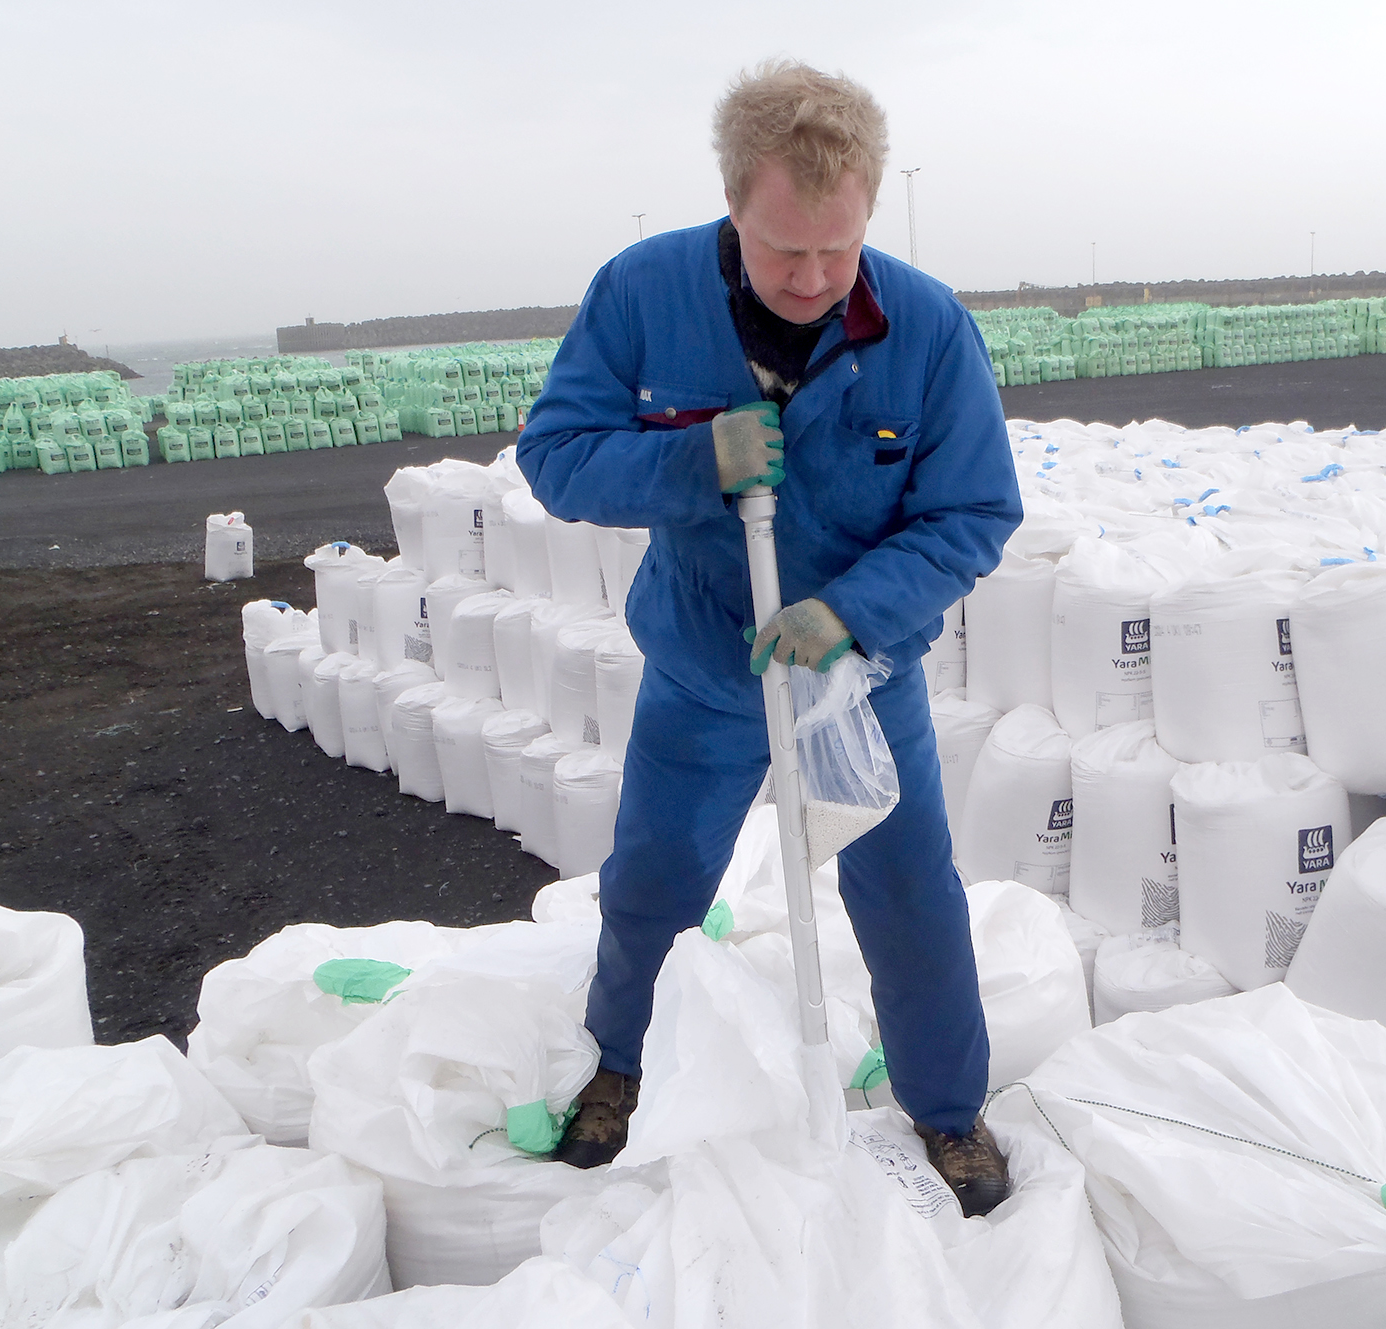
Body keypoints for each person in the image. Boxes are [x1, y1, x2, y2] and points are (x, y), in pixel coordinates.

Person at [516, 60, 1021, 1217]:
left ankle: (946, 1107)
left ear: (868, 212)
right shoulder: (641, 294)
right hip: (704, 665)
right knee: (653, 880)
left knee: (909, 896)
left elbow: (974, 513)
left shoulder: (928, 328)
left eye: (835, 251)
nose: (810, 279)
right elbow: (556, 457)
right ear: (733, 203)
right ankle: (621, 1063)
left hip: (856, 675)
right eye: (782, 250)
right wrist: (690, 460)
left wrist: (848, 612)